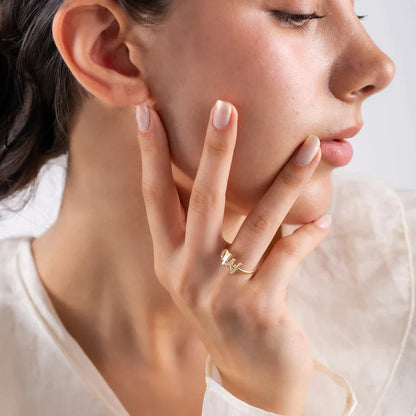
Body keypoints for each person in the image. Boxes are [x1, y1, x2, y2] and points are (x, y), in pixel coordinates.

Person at [0, 0, 414, 415]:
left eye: (356, 12)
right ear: (111, 53)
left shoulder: (401, 270)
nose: (378, 67)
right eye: (299, 14)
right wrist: (260, 398)